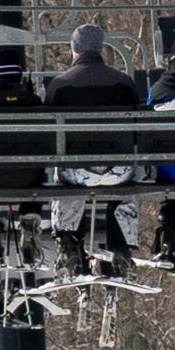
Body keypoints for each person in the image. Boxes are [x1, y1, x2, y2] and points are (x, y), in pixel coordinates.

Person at [43, 23, 142, 273]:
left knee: (62, 173)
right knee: (128, 180)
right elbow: (137, 129)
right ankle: (122, 245)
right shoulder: (124, 82)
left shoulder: (59, 84)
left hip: (76, 171)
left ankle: (68, 240)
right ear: (100, 48)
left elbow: (49, 134)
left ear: (74, 49)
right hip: (118, 170)